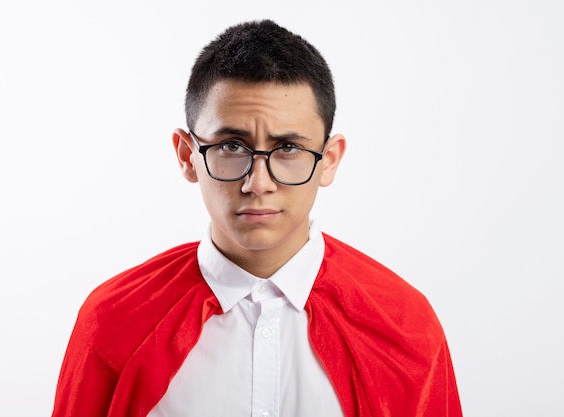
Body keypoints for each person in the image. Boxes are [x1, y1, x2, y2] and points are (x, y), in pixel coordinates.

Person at [51, 19, 463, 417]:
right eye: (231, 146)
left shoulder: (405, 325)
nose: (258, 183)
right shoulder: (112, 322)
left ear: (329, 160)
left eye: (287, 148)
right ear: (186, 155)